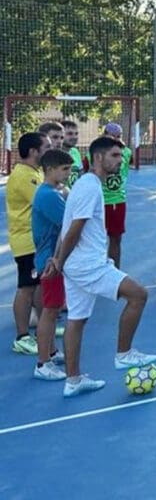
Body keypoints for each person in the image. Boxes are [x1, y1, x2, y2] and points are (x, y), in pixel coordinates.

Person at [45, 136, 156, 398]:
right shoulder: (89, 186)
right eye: (115, 156)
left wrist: (58, 259)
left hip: (76, 264)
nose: (120, 161)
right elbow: (75, 228)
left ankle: (73, 380)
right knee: (139, 294)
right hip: (88, 264)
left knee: (77, 319)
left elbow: (66, 226)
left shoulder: (87, 185)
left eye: (120, 156)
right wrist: (59, 261)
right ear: (98, 158)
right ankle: (124, 354)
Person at [31, 148, 74, 380]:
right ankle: (42, 363)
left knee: (54, 308)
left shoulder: (53, 192)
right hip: (50, 260)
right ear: (49, 170)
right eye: (64, 169)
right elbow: (70, 221)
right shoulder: (48, 195)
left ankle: (51, 350)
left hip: (52, 258)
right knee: (49, 311)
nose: (68, 174)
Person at [7, 132, 48, 355]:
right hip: (26, 240)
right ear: (34, 151)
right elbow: (43, 201)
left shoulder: (34, 172)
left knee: (39, 286)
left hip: (37, 240)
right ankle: (22, 336)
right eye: (46, 147)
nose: (49, 150)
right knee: (26, 287)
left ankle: (44, 325)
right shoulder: (24, 175)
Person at [100, 123, 131, 268]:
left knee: (115, 239)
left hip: (117, 200)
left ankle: (114, 271)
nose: (116, 139)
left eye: (118, 136)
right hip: (99, 201)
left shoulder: (127, 152)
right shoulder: (94, 152)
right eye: (113, 136)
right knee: (95, 239)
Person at [60, 120, 83, 188]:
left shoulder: (75, 152)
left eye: (76, 134)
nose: (74, 137)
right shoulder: (53, 154)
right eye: (70, 134)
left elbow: (80, 173)